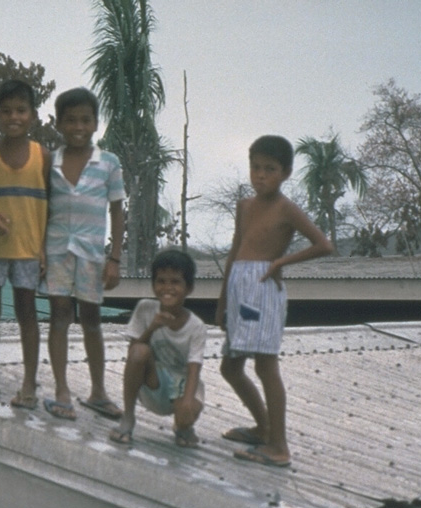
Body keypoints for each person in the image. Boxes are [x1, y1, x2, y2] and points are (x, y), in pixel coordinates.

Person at [217, 135, 334, 467]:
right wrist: (222, 300)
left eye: (269, 169)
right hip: (239, 286)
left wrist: (281, 262)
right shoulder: (244, 206)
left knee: (265, 365)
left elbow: (323, 245)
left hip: (264, 288)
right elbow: (234, 252)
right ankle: (263, 427)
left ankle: (279, 446)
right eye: (255, 168)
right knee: (230, 366)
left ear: (286, 173)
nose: (261, 176)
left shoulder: (287, 209)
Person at [41, 87, 126, 421]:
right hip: (57, 250)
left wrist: (115, 258)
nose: (78, 126)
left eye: (85, 120)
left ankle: (98, 392)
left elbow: (118, 211)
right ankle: (62, 391)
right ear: (60, 123)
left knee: (91, 320)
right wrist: (39, 253)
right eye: (71, 120)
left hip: (92, 253)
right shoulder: (50, 161)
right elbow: (41, 208)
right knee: (60, 316)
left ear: (95, 124)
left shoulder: (108, 163)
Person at [0, 79, 51, 406]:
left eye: (21, 111)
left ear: (33, 115)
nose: (14, 117)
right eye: (6, 111)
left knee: (27, 316)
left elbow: (54, 206)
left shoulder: (43, 156)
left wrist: (45, 250)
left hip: (28, 251)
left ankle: (29, 383)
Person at [108, 250, 207, 448]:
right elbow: (133, 353)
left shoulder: (196, 326)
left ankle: (183, 427)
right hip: (152, 383)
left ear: (189, 288)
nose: (167, 288)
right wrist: (153, 327)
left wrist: (188, 401)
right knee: (140, 351)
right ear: (153, 285)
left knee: (187, 413)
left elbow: (194, 367)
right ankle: (128, 418)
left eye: (175, 282)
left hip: (181, 384)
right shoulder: (145, 309)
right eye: (161, 281)